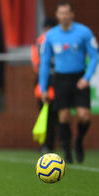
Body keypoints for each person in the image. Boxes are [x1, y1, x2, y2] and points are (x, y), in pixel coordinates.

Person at [39, 1, 99, 163]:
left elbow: (94, 57)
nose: (64, 16)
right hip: (61, 79)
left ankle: (78, 140)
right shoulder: (50, 36)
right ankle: (67, 151)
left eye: (67, 13)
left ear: (72, 14)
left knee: (84, 116)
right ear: (57, 15)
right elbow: (44, 63)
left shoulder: (84, 32)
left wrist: (86, 78)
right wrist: (43, 88)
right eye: (61, 13)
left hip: (79, 78)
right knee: (64, 117)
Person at [31, 18, 58, 152]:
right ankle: (48, 144)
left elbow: (35, 64)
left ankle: (48, 145)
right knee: (49, 116)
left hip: (49, 82)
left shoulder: (39, 41)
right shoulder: (44, 41)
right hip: (48, 82)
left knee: (51, 116)